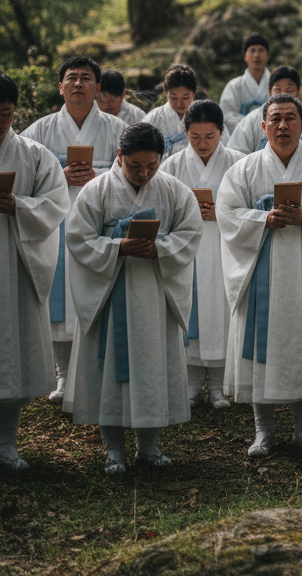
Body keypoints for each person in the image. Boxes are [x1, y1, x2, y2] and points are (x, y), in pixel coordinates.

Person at [218, 94, 302, 457]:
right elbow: (227, 213)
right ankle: (263, 432)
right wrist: (261, 218)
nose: (282, 126)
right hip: (260, 269)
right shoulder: (245, 169)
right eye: (275, 119)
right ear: (263, 126)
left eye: (290, 118)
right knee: (262, 352)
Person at [63, 122, 203, 474]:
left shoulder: (174, 190)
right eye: (135, 165)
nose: (143, 173)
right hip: (110, 295)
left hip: (154, 296)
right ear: (119, 156)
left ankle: (150, 446)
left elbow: (190, 231)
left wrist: (161, 247)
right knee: (109, 371)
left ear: (161, 159)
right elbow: (79, 239)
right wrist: (117, 245)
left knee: (152, 368)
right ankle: (113, 450)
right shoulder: (96, 191)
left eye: (152, 166)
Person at [21, 55, 127, 404]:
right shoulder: (40, 130)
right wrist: (59, 177)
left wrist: (100, 177)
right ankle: (63, 374)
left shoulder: (115, 128)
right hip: (55, 221)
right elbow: (22, 175)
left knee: (96, 291)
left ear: (98, 88)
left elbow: (132, 172)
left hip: (99, 220)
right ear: (60, 86)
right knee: (59, 293)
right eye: (71, 78)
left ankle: (98, 371)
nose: (78, 84)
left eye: (85, 78)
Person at [0, 73, 70, 470]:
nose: (0, 122)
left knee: (12, 351)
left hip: (15, 261)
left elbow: (55, 202)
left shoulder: (32, 153)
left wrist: (19, 207)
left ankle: (7, 443)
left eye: (5, 114)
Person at [161, 99, 244, 408]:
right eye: (195, 137)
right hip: (188, 250)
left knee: (221, 308)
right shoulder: (171, 166)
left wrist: (221, 213)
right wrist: (189, 214)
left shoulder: (238, 163)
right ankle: (192, 382)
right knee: (191, 307)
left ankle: (221, 384)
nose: (203, 144)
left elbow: (249, 208)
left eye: (210, 136)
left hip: (226, 247)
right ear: (185, 133)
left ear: (222, 131)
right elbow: (162, 207)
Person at [227, 66, 302, 153]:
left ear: (298, 92)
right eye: (278, 90)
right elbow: (237, 155)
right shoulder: (252, 119)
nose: (283, 94)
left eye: (289, 90)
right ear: (270, 92)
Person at [219, 32, 271, 135]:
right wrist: (251, 125)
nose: (256, 55)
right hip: (242, 141)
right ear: (245, 57)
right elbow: (225, 115)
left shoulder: (276, 85)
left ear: (267, 56)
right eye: (252, 51)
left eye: (261, 50)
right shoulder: (234, 86)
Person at [146, 64, 198, 159]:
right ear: (165, 92)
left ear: (194, 93)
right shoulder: (153, 119)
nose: (180, 103)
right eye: (174, 97)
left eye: (185, 97)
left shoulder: (203, 116)